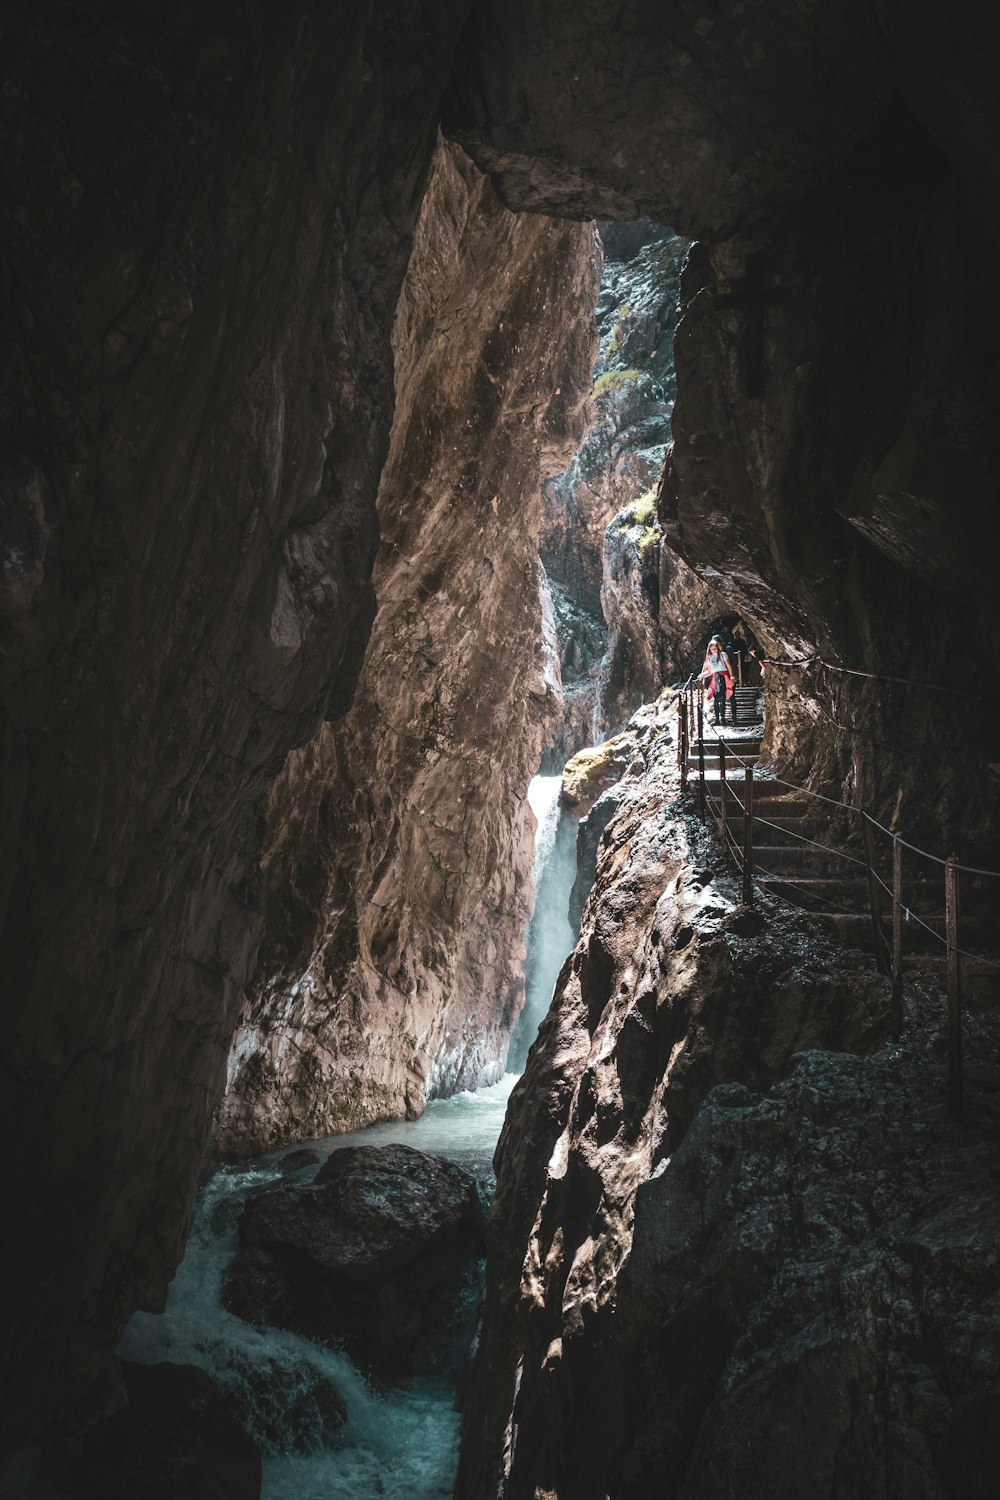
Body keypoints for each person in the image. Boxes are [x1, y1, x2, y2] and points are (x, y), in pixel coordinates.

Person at [699, 635, 734, 725]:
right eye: (712, 649)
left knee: (722, 698)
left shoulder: (723, 654)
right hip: (715, 678)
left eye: (715, 648)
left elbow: (729, 666)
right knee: (715, 699)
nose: (714, 650)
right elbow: (710, 671)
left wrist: (732, 676)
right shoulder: (710, 658)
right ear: (709, 650)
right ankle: (717, 719)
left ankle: (722, 718)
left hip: (722, 677)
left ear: (717, 648)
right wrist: (702, 675)